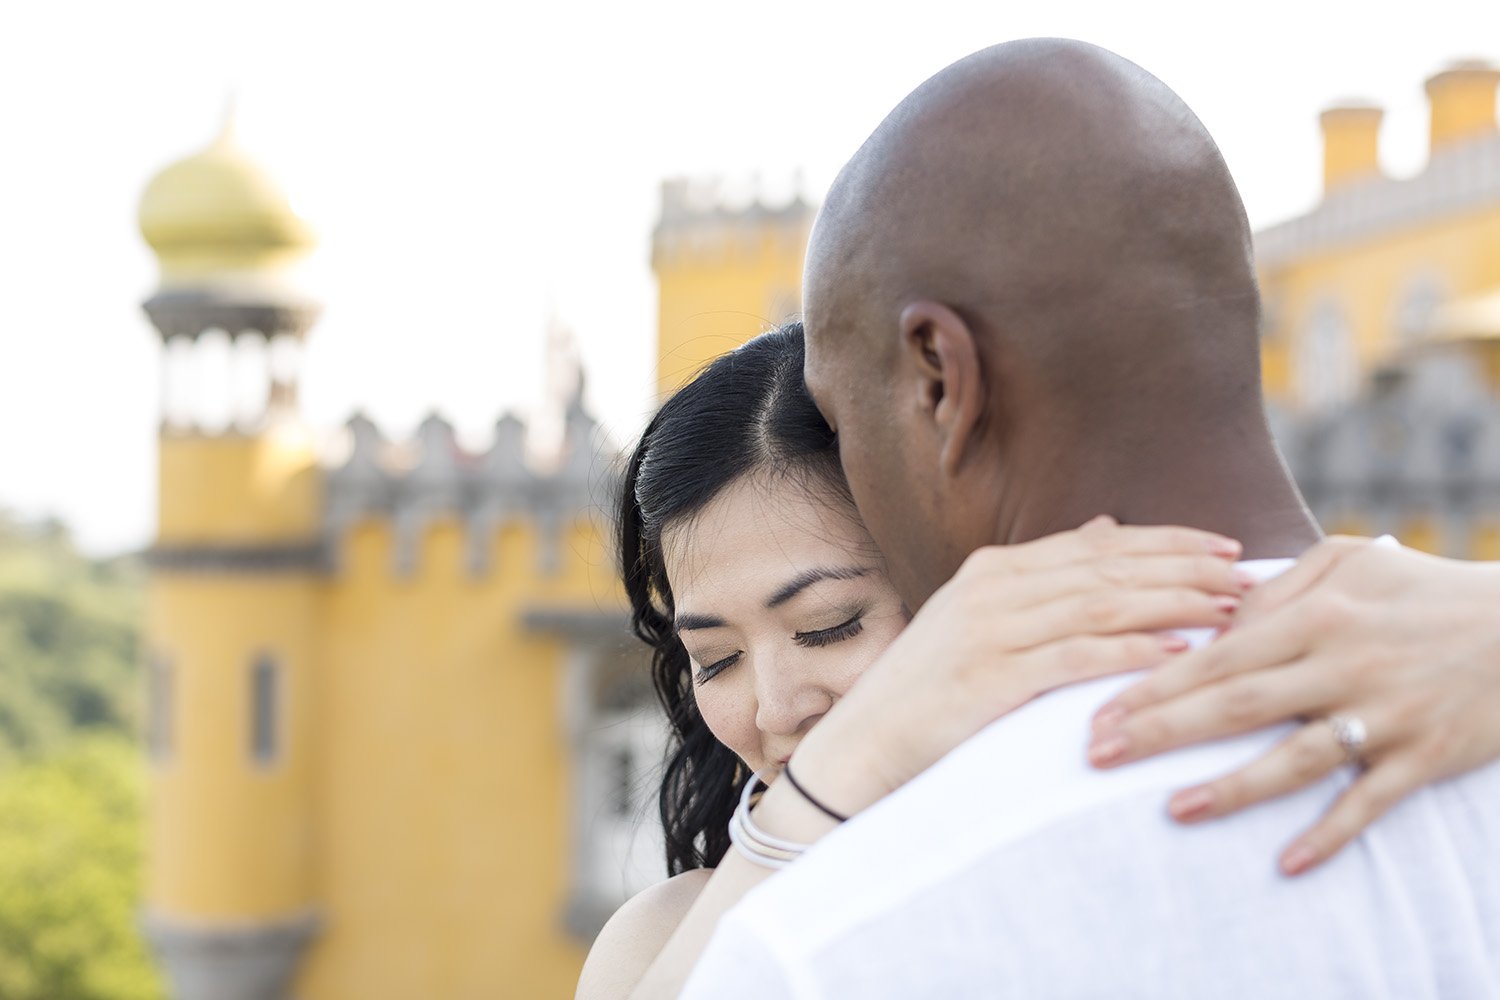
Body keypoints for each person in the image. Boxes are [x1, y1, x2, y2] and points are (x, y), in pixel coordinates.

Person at [678, 39, 1500, 998]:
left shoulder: (837, 941)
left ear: (942, 379)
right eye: (715, 656)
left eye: (843, 412)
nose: (777, 707)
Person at [578, 326, 1500, 998]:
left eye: (829, 627)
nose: (773, 707)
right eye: (715, 658)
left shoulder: (1102, 837)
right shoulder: (665, 942)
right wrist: (845, 768)